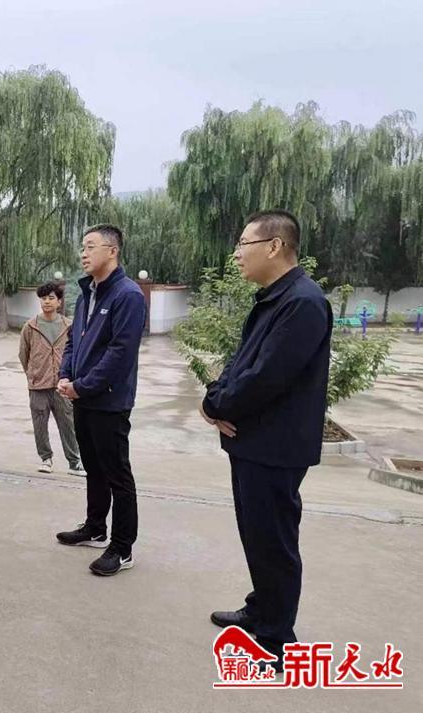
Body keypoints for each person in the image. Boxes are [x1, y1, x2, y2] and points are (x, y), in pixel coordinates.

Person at [201, 210, 332, 669]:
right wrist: (214, 398)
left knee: (274, 541)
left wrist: (219, 405)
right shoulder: (273, 298)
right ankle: (261, 609)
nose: (237, 254)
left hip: (276, 447)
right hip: (253, 442)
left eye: (244, 244)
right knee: (257, 535)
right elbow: (239, 363)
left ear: (274, 246)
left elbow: (267, 377)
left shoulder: (303, 303)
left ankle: (278, 639)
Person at [55, 224, 146, 577]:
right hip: (82, 396)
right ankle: (95, 528)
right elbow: (73, 343)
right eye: (82, 246)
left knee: (117, 474)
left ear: (112, 251)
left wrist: (84, 385)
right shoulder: (86, 295)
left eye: (90, 246)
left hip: (109, 401)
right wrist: (66, 376)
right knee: (93, 468)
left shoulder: (128, 295)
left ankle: (122, 548)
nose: (83, 253)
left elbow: (120, 353)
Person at [18, 281, 84, 476]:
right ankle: (46, 459)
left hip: (63, 386)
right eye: (43, 298)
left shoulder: (69, 326)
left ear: (59, 302)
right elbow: (23, 354)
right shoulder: (31, 326)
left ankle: (74, 462)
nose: (47, 302)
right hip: (38, 385)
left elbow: (76, 352)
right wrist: (33, 373)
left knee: (68, 424)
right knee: (40, 425)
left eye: (51, 298)